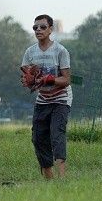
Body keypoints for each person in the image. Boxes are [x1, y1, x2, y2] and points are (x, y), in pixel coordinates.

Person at [21, 14, 72, 179]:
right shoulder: (30, 52)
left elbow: (66, 79)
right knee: (38, 138)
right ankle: (49, 181)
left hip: (61, 100)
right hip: (42, 100)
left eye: (43, 27)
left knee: (57, 136)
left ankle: (62, 180)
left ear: (51, 29)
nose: (38, 30)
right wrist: (29, 78)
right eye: (35, 27)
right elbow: (25, 71)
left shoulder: (60, 51)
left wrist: (50, 79)